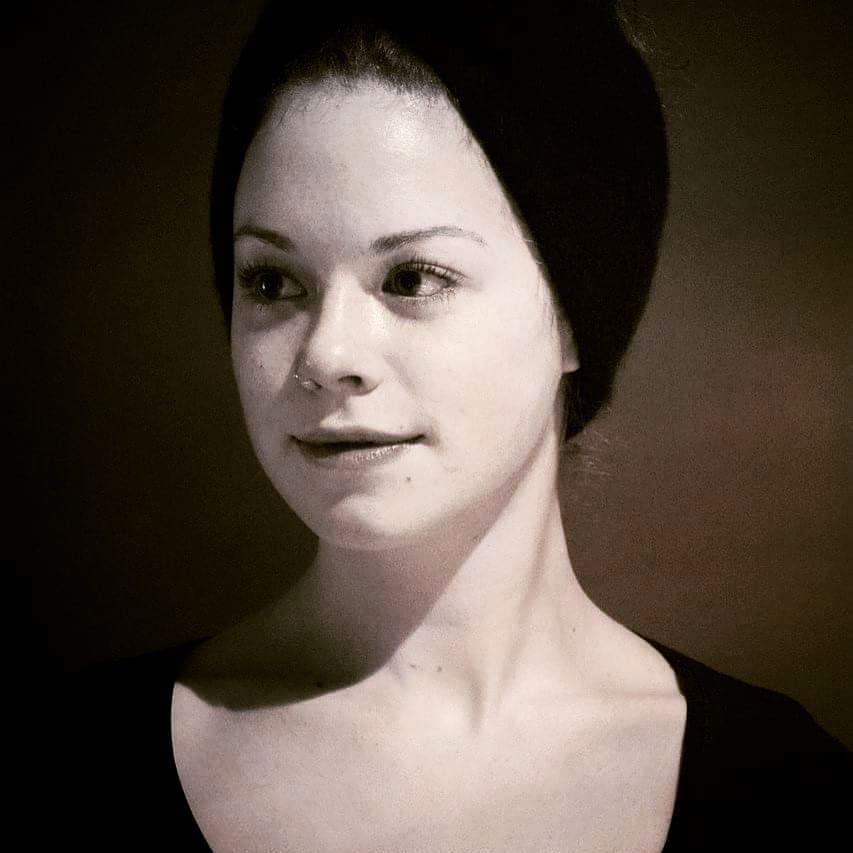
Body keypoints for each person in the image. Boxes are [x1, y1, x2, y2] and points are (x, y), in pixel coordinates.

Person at [50, 2, 849, 850]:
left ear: (572, 314)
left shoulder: (789, 793)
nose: (327, 353)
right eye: (273, 282)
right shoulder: (71, 764)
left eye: (413, 277)